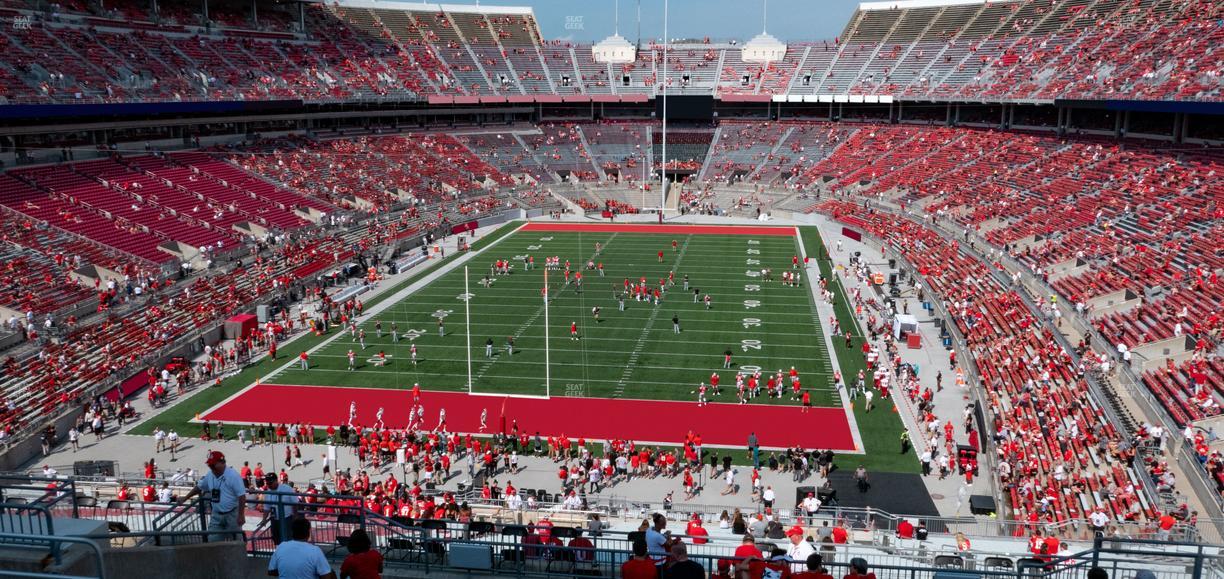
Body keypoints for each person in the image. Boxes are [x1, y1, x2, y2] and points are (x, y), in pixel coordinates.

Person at [178, 451, 246, 542]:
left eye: (213, 465)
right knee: (212, 542)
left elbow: (241, 496)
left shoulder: (233, 476)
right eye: (210, 465)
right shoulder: (210, 475)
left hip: (232, 514)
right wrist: (185, 498)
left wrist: (241, 515)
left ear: (222, 463)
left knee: (236, 542)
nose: (211, 468)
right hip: (216, 514)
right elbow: (199, 487)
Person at [268, 518, 335, 579]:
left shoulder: (281, 546)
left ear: (292, 532)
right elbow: (326, 576)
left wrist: (289, 569)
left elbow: (271, 571)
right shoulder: (315, 550)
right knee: (331, 572)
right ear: (308, 533)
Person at [263, 473, 300, 545]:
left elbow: (295, 503)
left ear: (276, 481)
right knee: (276, 538)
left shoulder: (287, 489)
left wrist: (295, 516)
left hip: (286, 518)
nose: (269, 485)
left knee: (287, 538)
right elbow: (266, 507)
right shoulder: (268, 492)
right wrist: (264, 519)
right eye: (267, 483)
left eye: (270, 483)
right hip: (274, 519)